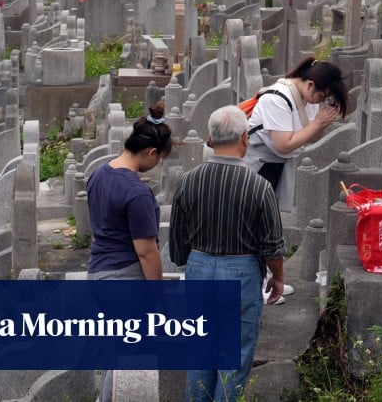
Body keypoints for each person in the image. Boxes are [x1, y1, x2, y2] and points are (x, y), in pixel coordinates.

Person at [170, 105, 285, 402]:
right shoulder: (258, 186)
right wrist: (278, 277)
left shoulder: (188, 181)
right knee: (235, 355)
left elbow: (177, 240)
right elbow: (272, 244)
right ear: (245, 138)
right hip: (241, 271)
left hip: (198, 266)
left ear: (211, 138)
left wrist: (193, 261)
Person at [86, 103, 173, 402]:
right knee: (131, 354)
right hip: (125, 279)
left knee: (117, 350)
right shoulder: (136, 192)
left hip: (98, 271)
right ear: (151, 153)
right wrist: (159, 297)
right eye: (159, 158)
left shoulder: (99, 173)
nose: (157, 164)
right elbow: (146, 251)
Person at [244, 56, 349, 207]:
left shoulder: (308, 97)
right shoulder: (277, 98)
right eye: (321, 96)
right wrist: (317, 123)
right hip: (257, 166)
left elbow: (310, 137)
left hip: (278, 165)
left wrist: (322, 124)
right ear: (310, 85)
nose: (320, 101)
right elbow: (284, 144)